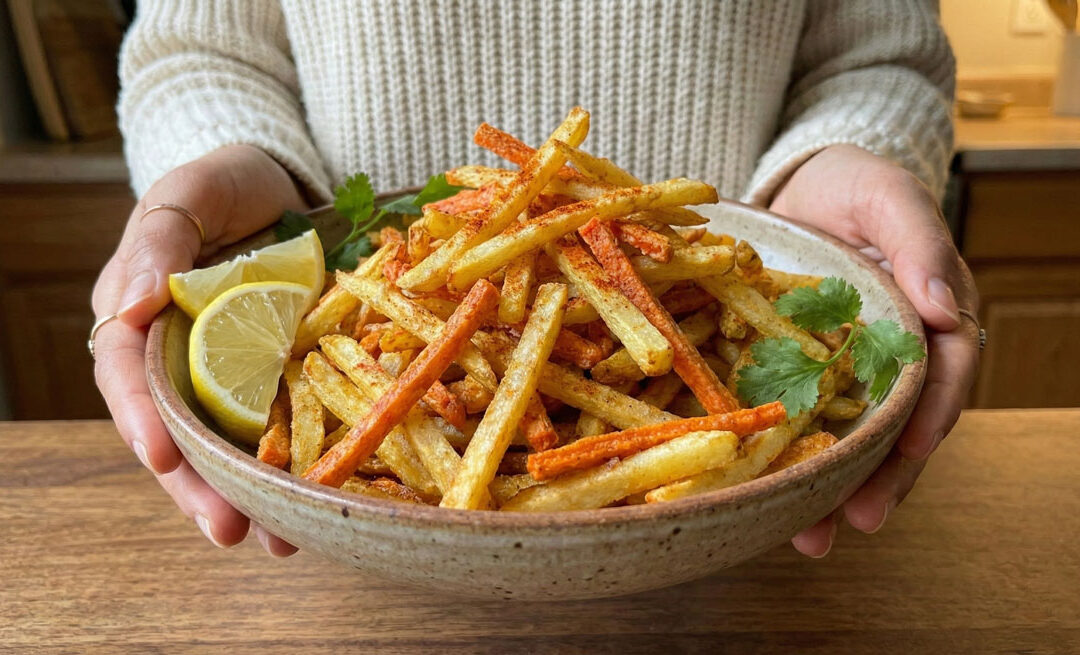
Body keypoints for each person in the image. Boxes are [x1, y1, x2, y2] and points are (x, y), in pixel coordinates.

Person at [90, 0, 981, 559]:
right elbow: (201, 49)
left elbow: (876, 54)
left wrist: (842, 154)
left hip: (748, 557)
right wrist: (225, 159)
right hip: (364, 523)